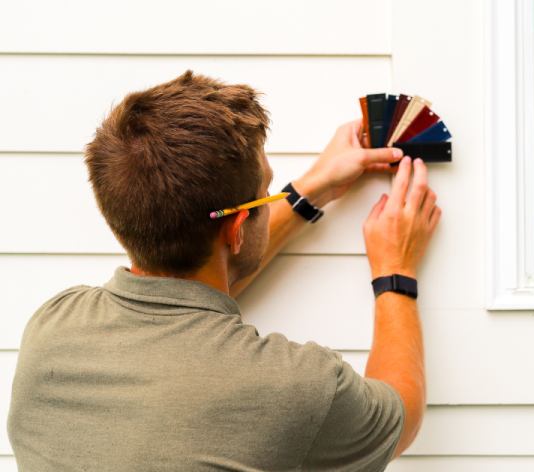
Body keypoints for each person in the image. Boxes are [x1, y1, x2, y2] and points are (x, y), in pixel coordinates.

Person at [7, 71, 441, 471]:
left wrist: (310, 190)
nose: (271, 198)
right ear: (236, 230)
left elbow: (187, 290)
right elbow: (401, 413)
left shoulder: (52, 328)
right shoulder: (298, 387)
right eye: (265, 193)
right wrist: (395, 269)